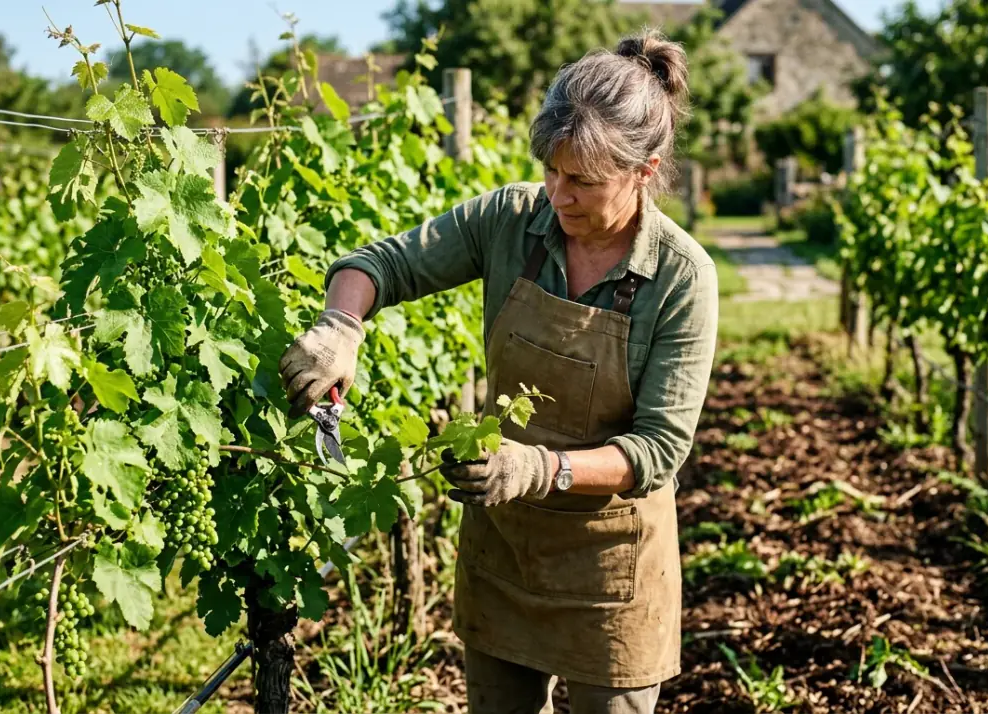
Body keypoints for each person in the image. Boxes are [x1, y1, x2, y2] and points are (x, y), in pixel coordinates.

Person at [278, 29, 718, 714]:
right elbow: (381, 264)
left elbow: (659, 450)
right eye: (551, 170)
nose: (559, 194)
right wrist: (341, 325)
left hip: (613, 567)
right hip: (502, 549)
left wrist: (541, 469)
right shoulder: (513, 219)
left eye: (583, 181)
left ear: (645, 170)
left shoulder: (682, 276)